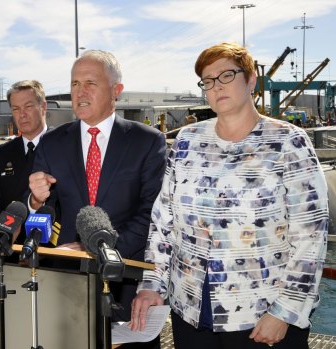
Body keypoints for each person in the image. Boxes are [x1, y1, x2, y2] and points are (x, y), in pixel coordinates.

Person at [131, 42, 329, 349]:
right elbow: (163, 223)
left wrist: (286, 310)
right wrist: (152, 283)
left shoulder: (288, 142)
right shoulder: (186, 141)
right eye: (207, 81)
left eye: (226, 75)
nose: (216, 86)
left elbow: (311, 235)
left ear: (251, 80)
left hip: (262, 318)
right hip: (192, 313)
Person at [28, 50, 167, 348]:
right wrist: (35, 203)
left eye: (90, 82)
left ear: (116, 90)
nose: (80, 92)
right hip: (67, 280)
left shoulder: (146, 141)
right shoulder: (52, 142)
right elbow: (46, 210)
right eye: (75, 83)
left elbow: (151, 214)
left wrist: (101, 249)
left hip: (128, 281)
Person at [0, 80, 48, 239]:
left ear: (43, 107)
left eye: (28, 106)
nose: (22, 114)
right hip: (12, 246)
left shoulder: (63, 147)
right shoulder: (3, 153)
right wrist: (4, 235)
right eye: (16, 109)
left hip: (52, 248)